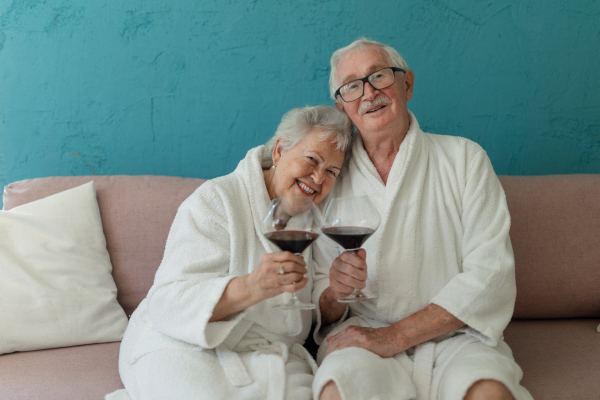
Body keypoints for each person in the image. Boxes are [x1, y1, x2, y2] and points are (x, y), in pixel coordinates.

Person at [311, 38, 533, 400]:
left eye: (379, 76)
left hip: (457, 337)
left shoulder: (465, 159)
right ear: (342, 106)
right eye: (352, 86)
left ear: (407, 84)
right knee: (338, 391)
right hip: (362, 335)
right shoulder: (332, 177)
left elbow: (489, 276)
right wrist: (334, 293)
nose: (368, 93)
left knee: (489, 393)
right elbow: (318, 292)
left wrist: (395, 336)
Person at [113, 105, 352, 400]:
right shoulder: (216, 199)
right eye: (312, 160)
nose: (317, 178)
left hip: (270, 355)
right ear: (279, 151)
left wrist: (338, 292)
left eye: (331, 171)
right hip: (184, 342)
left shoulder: (317, 220)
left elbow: (319, 309)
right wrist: (253, 286)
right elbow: (170, 302)